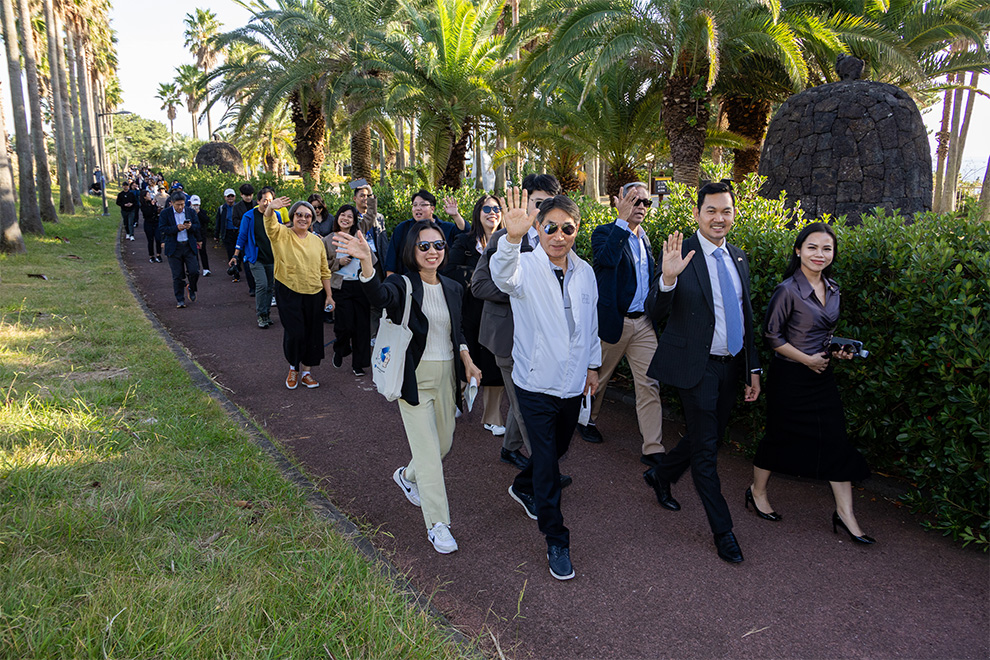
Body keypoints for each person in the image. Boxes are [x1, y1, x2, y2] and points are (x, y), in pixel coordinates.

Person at [333, 220, 482, 555]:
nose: (433, 252)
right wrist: (368, 264)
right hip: (412, 378)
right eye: (424, 246)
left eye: (439, 245)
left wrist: (468, 361)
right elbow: (378, 297)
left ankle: (406, 475)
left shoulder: (453, 287)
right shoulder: (402, 284)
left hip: (446, 375)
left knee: (443, 443)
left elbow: (456, 332)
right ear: (412, 250)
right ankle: (438, 524)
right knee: (430, 454)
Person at [642, 181, 761, 564]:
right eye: (711, 210)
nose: (718, 218)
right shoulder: (682, 255)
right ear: (697, 214)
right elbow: (654, 312)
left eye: (725, 210)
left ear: (733, 214)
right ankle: (723, 530)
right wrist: (668, 278)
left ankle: (662, 475)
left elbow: (746, 319)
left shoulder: (738, 257)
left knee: (702, 437)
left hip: (731, 367)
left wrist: (752, 370)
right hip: (697, 368)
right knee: (707, 451)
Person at [491, 190, 600, 581]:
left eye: (567, 228)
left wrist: (592, 365)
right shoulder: (524, 266)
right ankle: (557, 539)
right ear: (539, 228)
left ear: (577, 230)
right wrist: (511, 238)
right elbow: (502, 276)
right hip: (534, 384)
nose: (558, 235)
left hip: (572, 385)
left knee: (559, 449)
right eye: (549, 226)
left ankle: (523, 485)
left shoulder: (585, 272)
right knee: (550, 465)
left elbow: (590, 326)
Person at [748, 222, 875, 544]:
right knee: (778, 437)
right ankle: (756, 491)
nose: (820, 254)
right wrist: (807, 359)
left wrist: (837, 352)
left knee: (836, 440)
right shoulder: (787, 290)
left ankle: (845, 514)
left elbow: (823, 335)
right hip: (789, 377)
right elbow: (771, 336)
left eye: (827, 248)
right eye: (813, 247)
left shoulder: (833, 290)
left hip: (822, 376)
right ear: (798, 251)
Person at [471, 173, 563, 471]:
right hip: (508, 338)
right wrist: (518, 289)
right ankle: (544, 469)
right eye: (537, 203)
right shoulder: (504, 238)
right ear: (525, 202)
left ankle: (510, 448)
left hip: (543, 338)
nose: (542, 210)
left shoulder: (558, 239)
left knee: (524, 400)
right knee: (527, 405)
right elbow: (479, 285)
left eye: (548, 203)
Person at [584, 182, 665, 467]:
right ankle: (587, 420)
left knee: (649, 383)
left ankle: (653, 446)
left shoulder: (646, 239)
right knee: (599, 378)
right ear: (620, 201)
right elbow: (606, 260)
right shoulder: (606, 232)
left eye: (646, 202)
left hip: (642, 324)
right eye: (634, 200)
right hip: (614, 322)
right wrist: (621, 221)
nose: (641, 207)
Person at [448, 194, 506, 436]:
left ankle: (492, 417)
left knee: (495, 367)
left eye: (496, 208)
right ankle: (453, 404)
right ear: (477, 213)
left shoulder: (509, 241)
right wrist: (489, 281)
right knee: (464, 360)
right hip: (469, 311)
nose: (492, 212)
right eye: (486, 208)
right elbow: (452, 271)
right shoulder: (463, 241)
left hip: (499, 315)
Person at [263, 196, 335, 389]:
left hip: (314, 292)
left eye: (308, 216)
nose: (303, 219)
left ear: (312, 219)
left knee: (312, 334)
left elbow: (324, 270)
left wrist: (328, 295)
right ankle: (293, 368)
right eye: (299, 215)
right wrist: (271, 208)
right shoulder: (281, 235)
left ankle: (307, 372)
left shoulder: (317, 241)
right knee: (295, 332)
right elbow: (270, 224)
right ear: (293, 216)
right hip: (288, 290)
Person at [323, 204, 373, 376]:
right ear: (337, 217)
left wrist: (370, 196)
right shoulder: (328, 239)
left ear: (354, 221)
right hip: (340, 287)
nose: (345, 218)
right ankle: (341, 348)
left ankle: (358, 364)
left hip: (360, 286)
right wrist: (338, 262)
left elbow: (371, 260)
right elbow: (321, 267)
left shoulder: (358, 238)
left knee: (362, 326)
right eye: (342, 215)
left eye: (350, 216)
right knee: (344, 325)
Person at [383, 189, 468, 276]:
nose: (418, 208)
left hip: (440, 279)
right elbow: (391, 260)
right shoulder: (402, 228)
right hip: (408, 281)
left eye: (423, 205)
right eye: (415, 205)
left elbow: (465, 233)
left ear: (432, 209)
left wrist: (456, 215)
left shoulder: (446, 228)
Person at [230, 187, 282, 329]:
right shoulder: (249, 216)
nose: (267, 203)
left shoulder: (276, 216)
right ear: (258, 201)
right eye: (264, 200)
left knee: (270, 287)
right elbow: (242, 236)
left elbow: (281, 236)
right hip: (256, 257)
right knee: (262, 285)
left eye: (270, 201)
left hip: (272, 258)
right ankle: (261, 315)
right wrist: (235, 255)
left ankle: (267, 314)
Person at [159, 191, 202, 308]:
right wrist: (176, 228)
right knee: (177, 275)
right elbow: (162, 228)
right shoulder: (165, 214)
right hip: (174, 247)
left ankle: (191, 287)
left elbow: (198, 226)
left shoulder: (191, 212)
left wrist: (191, 226)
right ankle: (180, 299)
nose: (180, 207)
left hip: (188, 245)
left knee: (194, 271)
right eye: (177, 204)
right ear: (171, 203)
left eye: (182, 204)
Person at [233, 183, 258, 294]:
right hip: (245, 238)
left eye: (250, 195)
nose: (248, 197)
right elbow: (234, 221)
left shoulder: (256, 205)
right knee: (247, 263)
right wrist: (245, 223)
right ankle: (252, 287)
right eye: (246, 195)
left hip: (256, 237)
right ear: (241, 195)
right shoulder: (237, 207)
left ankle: (259, 286)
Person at [215, 188, 240, 271]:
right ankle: (234, 271)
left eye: (232, 196)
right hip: (227, 233)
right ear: (225, 197)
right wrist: (216, 235)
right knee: (230, 252)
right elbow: (218, 222)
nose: (230, 198)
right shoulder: (222, 208)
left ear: (235, 197)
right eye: (228, 196)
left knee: (239, 252)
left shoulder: (238, 207)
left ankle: (237, 267)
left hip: (238, 232)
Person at [189, 195, 212, 276]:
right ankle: (196, 268)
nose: (195, 207)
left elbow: (207, 220)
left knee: (203, 251)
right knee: (193, 252)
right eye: (194, 205)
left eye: (197, 205)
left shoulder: (202, 212)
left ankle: (206, 269)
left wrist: (199, 213)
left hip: (202, 235)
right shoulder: (187, 212)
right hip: (191, 234)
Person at [140, 188, 161, 263]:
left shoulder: (153, 202)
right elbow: (147, 214)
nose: (149, 196)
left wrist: (157, 208)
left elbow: (156, 212)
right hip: (148, 223)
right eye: (148, 195)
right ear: (144, 197)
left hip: (156, 222)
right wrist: (152, 206)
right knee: (150, 240)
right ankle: (151, 256)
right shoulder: (143, 205)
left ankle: (159, 254)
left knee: (158, 238)